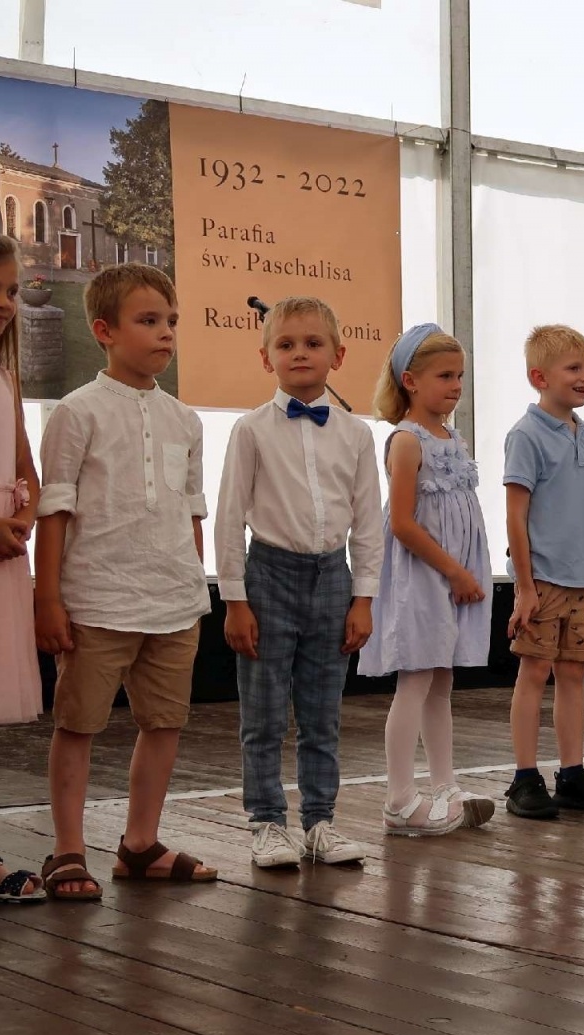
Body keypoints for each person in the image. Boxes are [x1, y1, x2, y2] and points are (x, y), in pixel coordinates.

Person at [34, 263, 219, 900]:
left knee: (164, 723)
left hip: (174, 603)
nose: (166, 333)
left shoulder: (185, 420)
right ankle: (67, 848)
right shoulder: (76, 412)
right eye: (148, 320)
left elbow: (191, 511)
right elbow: (55, 509)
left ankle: (141, 844)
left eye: (171, 321)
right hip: (97, 600)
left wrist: (195, 586)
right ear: (104, 331)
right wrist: (48, 598)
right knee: (78, 724)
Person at [217, 295, 382, 868]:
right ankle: (267, 822)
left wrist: (363, 598)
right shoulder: (250, 430)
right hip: (268, 575)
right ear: (267, 358)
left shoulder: (356, 434)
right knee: (263, 715)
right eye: (286, 344)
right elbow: (229, 517)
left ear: (339, 354)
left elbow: (368, 521)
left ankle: (320, 822)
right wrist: (235, 601)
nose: (300, 353)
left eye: (313, 343)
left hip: (332, 578)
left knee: (322, 714)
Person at [360, 324, 496, 834]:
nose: (456, 385)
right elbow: (402, 522)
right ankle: (398, 797)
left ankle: (444, 785)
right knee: (415, 680)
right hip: (423, 576)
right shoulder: (407, 441)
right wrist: (454, 570)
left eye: (460, 376)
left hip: (451, 575)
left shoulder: (453, 439)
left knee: (441, 681)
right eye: (445, 376)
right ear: (411, 380)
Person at [502, 325, 584, 819]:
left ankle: (572, 774)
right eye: (574, 368)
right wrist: (525, 587)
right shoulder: (526, 435)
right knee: (534, 671)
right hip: (544, 579)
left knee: (574, 673)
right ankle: (524, 777)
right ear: (540, 377)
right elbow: (516, 516)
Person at [0, 236, 44, 903]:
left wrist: (27, 506)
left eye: (10, 290)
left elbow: (24, 463)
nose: (5, 303)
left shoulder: (6, 378)